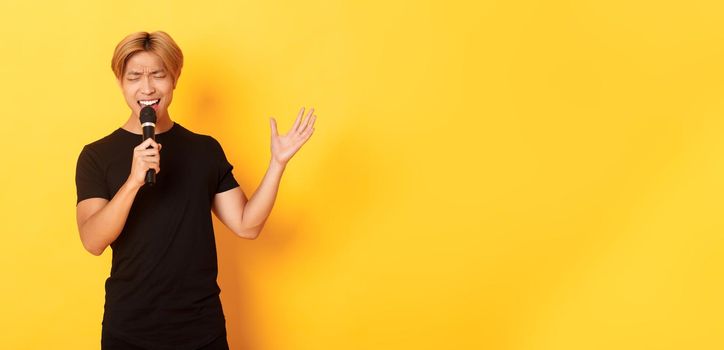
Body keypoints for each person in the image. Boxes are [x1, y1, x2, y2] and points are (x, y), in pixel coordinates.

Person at [75, 31, 316, 350]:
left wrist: (278, 163)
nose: (147, 88)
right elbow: (93, 241)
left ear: (174, 79)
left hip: (201, 330)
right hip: (129, 330)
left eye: (158, 75)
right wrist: (133, 181)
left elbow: (247, 225)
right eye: (134, 77)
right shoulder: (96, 156)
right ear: (121, 82)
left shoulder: (204, 150)